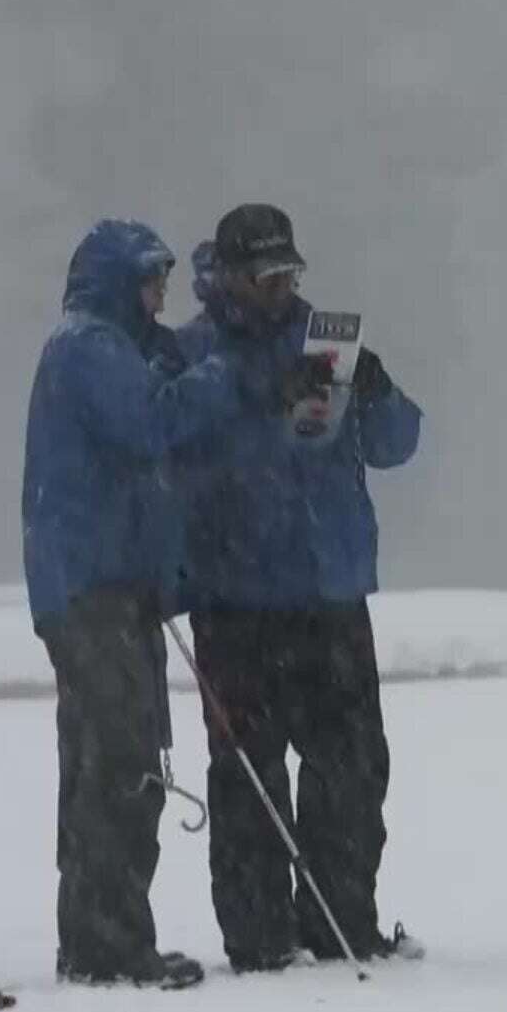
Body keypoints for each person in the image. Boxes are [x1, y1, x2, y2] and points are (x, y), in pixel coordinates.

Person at [175, 204, 424, 972]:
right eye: (266, 274)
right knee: (248, 772)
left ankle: (342, 922)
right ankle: (258, 938)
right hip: (237, 599)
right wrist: (258, 408)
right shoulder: (195, 355)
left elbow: (396, 445)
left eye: (290, 272)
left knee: (351, 765)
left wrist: (378, 391)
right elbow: (180, 461)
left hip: (329, 593)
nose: (281, 287)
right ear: (229, 275)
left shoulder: (330, 344)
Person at [23, 218, 263, 989]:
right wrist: (224, 375)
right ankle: (108, 943)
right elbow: (152, 421)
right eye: (151, 279)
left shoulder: (110, 345)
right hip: (95, 587)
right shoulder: (89, 348)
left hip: (108, 585)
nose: (160, 293)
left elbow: (162, 374)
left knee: (104, 758)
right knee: (121, 760)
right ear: (118, 280)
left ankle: (97, 936)